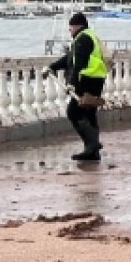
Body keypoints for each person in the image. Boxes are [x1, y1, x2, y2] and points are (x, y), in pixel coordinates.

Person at [46, 12, 108, 161]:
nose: (70, 31)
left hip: (86, 79)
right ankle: (93, 152)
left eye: (71, 27)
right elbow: (69, 59)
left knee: (73, 112)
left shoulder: (82, 39)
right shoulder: (91, 36)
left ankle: (92, 145)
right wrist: (53, 66)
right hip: (97, 79)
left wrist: (72, 84)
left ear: (77, 26)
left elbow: (78, 65)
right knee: (89, 113)